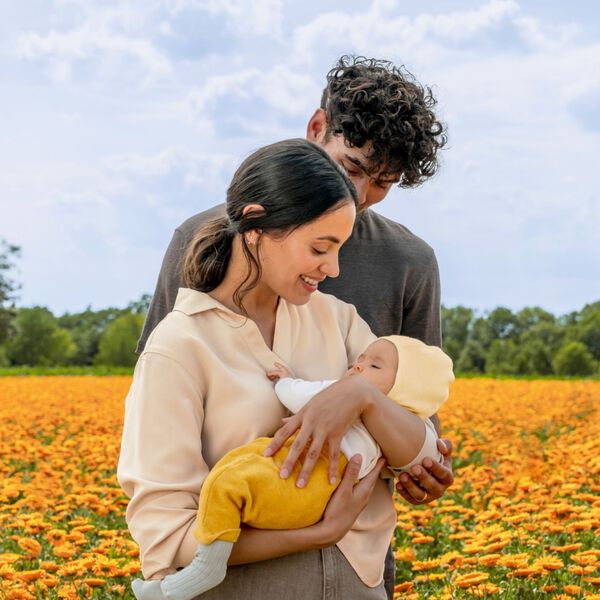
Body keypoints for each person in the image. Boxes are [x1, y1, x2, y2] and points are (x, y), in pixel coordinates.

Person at [136, 56, 454, 598]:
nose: (361, 194)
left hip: (359, 565)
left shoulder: (407, 263)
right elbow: (159, 418)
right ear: (316, 129)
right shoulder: (198, 240)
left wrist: (410, 452)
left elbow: (422, 415)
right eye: (353, 168)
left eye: (384, 183)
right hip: (241, 566)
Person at [130, 336, 454, 600]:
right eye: (361, 358)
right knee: (232, 470)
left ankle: (206, 568)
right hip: (296, 473)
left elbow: (299, 395)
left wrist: (291, 383)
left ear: (404, 388)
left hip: (306, 482)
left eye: (374, 365)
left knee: (227, 484)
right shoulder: (367, 407)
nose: (357, 366)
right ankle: (207, 561)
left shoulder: (379, 410)